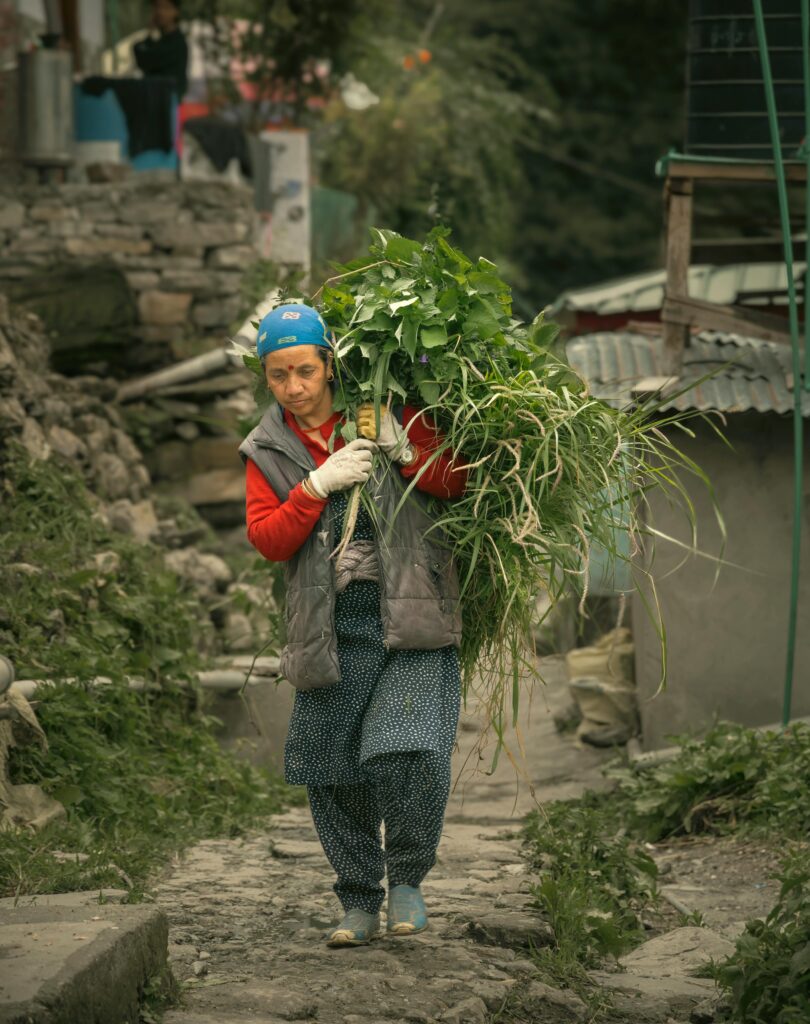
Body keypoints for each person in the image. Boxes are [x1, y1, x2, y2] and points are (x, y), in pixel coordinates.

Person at [240, 303, 467, 947]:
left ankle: (408, 882)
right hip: (331, 630)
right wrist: (312, 487)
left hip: (413, 615)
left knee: (407, 746)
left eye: (305, 371)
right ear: (265, 377)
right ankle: (360, 901)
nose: (294, 388)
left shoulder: (387, 407)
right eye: (279, 376)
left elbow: (457, 481)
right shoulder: (266, 450)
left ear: (330, 363)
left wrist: (402, 446)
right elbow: (269, 541)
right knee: (330, 765)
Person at [133, 0, 188, 98]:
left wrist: (148, 42)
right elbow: (138, 50)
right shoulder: (157, 39)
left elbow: (146, 60)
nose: (160, 12)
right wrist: (150, 35)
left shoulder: (177, 43)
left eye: (166, 7)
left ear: (176, 11)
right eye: (157, 7)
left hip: (166, 102)